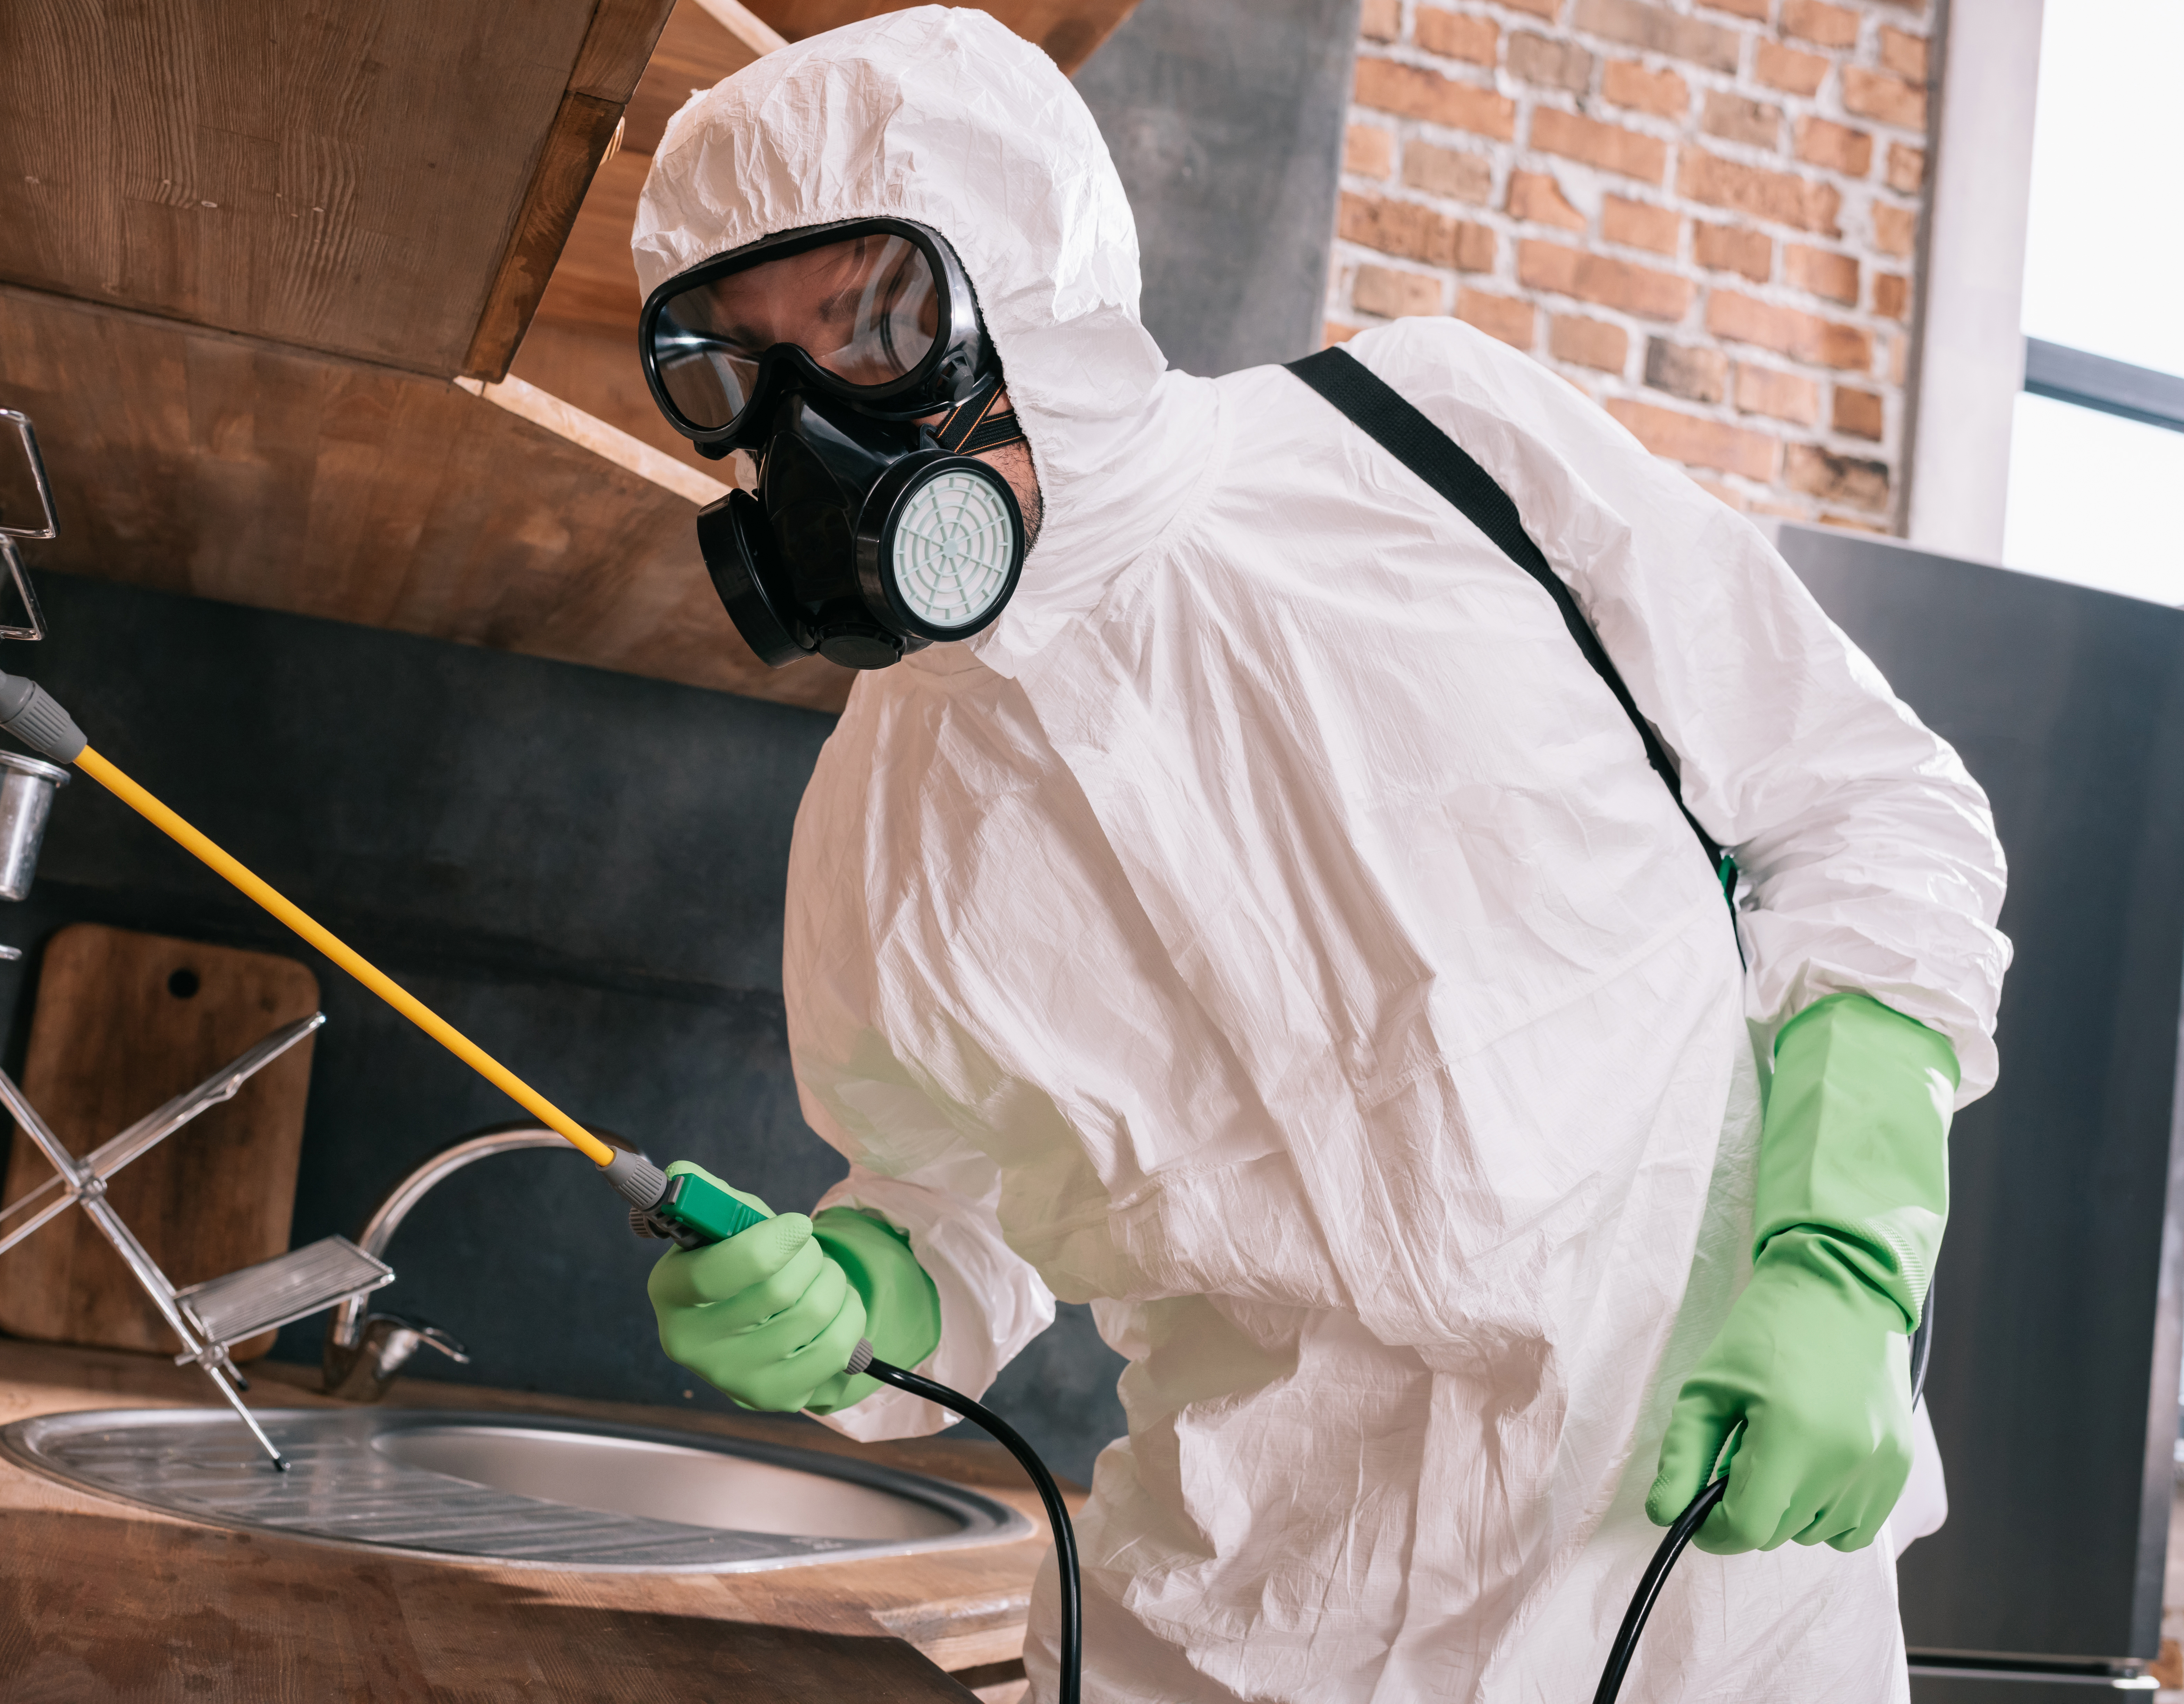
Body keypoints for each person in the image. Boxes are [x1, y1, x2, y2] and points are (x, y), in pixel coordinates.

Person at [628, 9, 2010, 1701]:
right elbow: (962, 1202)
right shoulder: (881, 810)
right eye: (749, 375)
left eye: (870, 324)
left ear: (1023, 269)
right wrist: (852, 1289)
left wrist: (1843, 1257)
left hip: (1705, 1595)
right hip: (1239, 1642)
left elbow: (1863, 809)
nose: (820, 434)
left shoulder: (1432, 446)